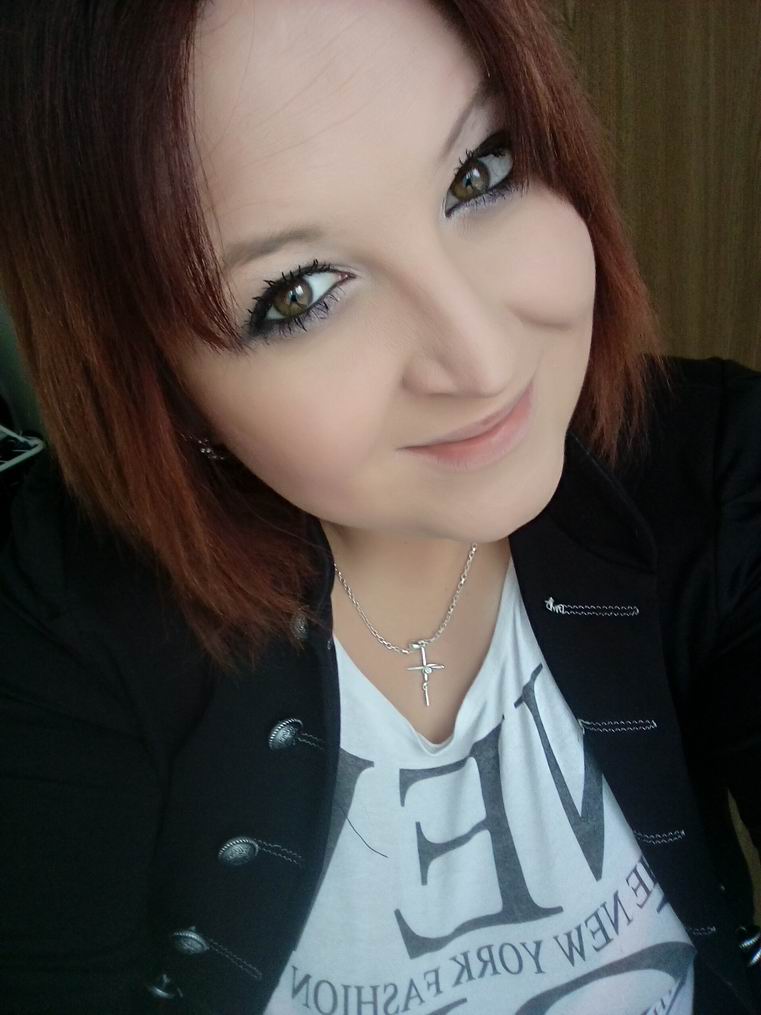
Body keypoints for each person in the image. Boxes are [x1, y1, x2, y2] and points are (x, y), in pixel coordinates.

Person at [0, 1, 759, 1012]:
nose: (482, 358)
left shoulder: (710, 466)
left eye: (479, 173)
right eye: (300, 292)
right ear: (161, 383)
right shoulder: (59, 627)